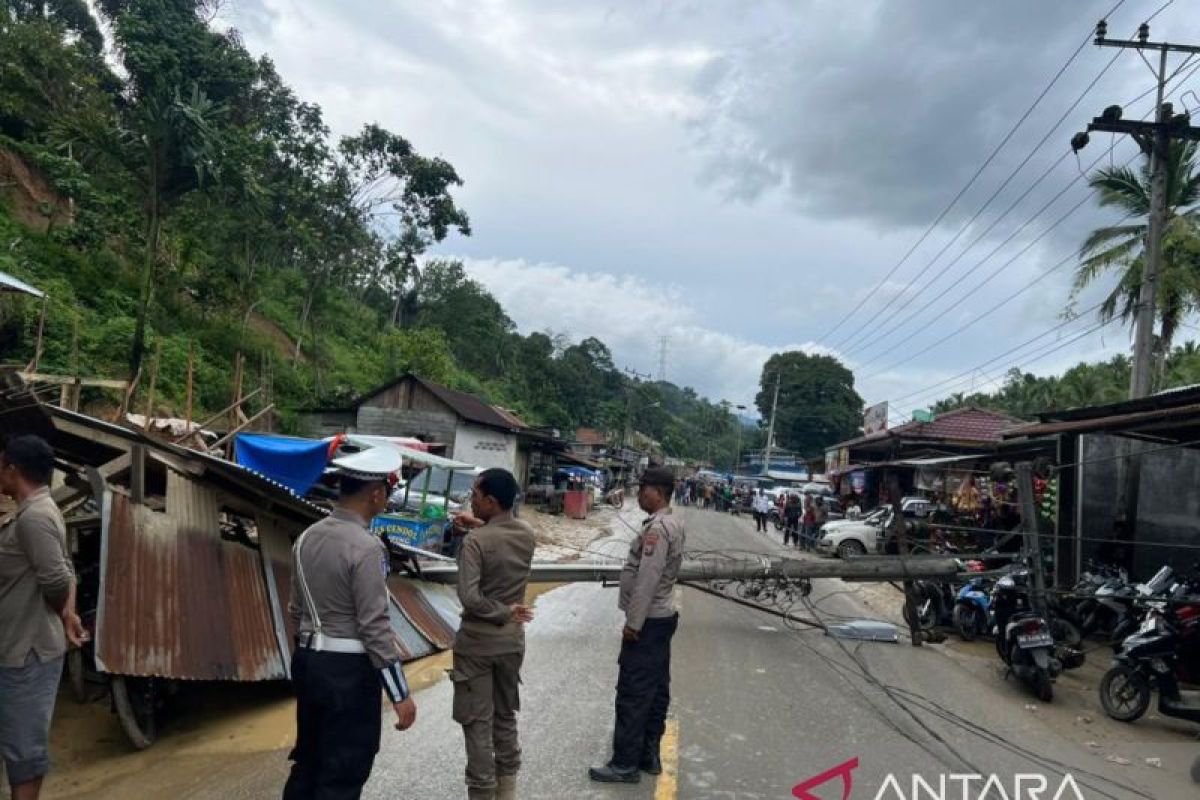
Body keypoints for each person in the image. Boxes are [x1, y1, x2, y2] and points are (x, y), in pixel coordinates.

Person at [283, 448, 416, 800]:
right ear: (375, 493)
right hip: (348, 673)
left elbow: (294, 610)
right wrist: (400, 694)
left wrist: (306, 662)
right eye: (388, 491)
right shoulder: (367, 548)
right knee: (343, 770)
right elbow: (375, 628)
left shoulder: (306, 537)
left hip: (309, 663)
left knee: (308, 762)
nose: (387, 498)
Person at [0, 435, 85, 800]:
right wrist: (70, 612)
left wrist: (63, 613)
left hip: (28, 653)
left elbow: (56, 578)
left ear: (13, 469)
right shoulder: (35, 511)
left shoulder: (34, 518)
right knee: (19, 749)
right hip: (19, 649)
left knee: (24, 756)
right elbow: (66, 571)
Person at [589, 467, 685, 784]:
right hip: (661, 618)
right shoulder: (672, 522)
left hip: (648, 621)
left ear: (656, 491)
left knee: (633, 692)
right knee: (656, 689)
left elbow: (647, 578)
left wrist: (633, 623)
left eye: (643, 489)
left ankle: (625, 764)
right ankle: (648, 755)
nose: (640, 494)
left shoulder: (658, 528)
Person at [447, 469, 537, 800]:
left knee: (477, 723)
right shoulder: (527, 534)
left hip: (477, 645)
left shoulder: (475, 543)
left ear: (491, 501)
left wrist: (502, 611)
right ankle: (507, 792)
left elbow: (469, 597)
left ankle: (484, 792)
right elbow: (499, 534)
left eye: (476, 495)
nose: (471, 499)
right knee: (504, 716)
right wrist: (475, 523)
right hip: (512, 643)